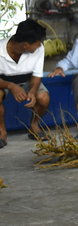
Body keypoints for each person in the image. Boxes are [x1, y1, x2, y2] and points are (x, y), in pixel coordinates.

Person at [0, 19, 51, 147]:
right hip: (3, 82)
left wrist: (33, 92)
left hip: (27, 80)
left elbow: (36, 75)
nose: (40, 46)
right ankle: (2, 133)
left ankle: (34, 126)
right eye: (38, 43)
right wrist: (11, 86)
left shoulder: (39, 50)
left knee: (43, 98)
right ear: (25, 45)